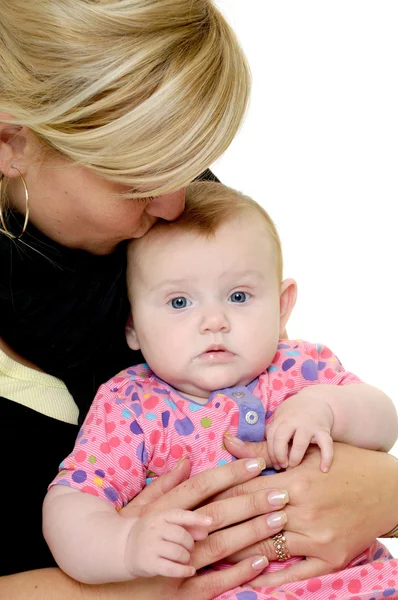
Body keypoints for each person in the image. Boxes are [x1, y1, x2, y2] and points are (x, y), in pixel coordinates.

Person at [1, 1, 398, 599]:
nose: (174, 206)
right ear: (11, 144)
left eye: (189, 165)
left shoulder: (160, 230)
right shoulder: (128, 402)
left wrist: (382, 490)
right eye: (139, 177)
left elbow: (336, 423)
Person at [43, 181, 398, 599]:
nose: (214, 320)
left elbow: (383, 421)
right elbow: (71, 502)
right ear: (132, 325)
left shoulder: (300, 366)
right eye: (179, 302)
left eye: (238, 295)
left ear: (281, 306)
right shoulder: (130, 405)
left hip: (359, 584)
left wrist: (325, 406)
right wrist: (125, 544)